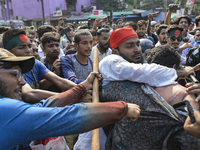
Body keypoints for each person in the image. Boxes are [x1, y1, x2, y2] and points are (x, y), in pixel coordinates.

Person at [0, 48, 140, 150]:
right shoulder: (5, 109)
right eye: (15, 75)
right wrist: (122, 108)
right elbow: (66, 117)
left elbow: (44, 106)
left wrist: (83, 87)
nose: (23, 82)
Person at [99, 26, 200, 150]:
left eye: (137, 45)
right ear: (115, 51)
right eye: (129, 46)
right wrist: (178, 73)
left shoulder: (137, 66)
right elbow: (143, 72)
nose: (136, 49)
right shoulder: (110, 62)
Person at [2, 29, 76, 103]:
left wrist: (82, 90)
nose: (28, 50)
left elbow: (60, 81)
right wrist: (68, 97)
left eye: (29, 46)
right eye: (22, 47)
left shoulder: (35, 63)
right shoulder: (7, 69)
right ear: (8, 52)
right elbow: (29, 94)